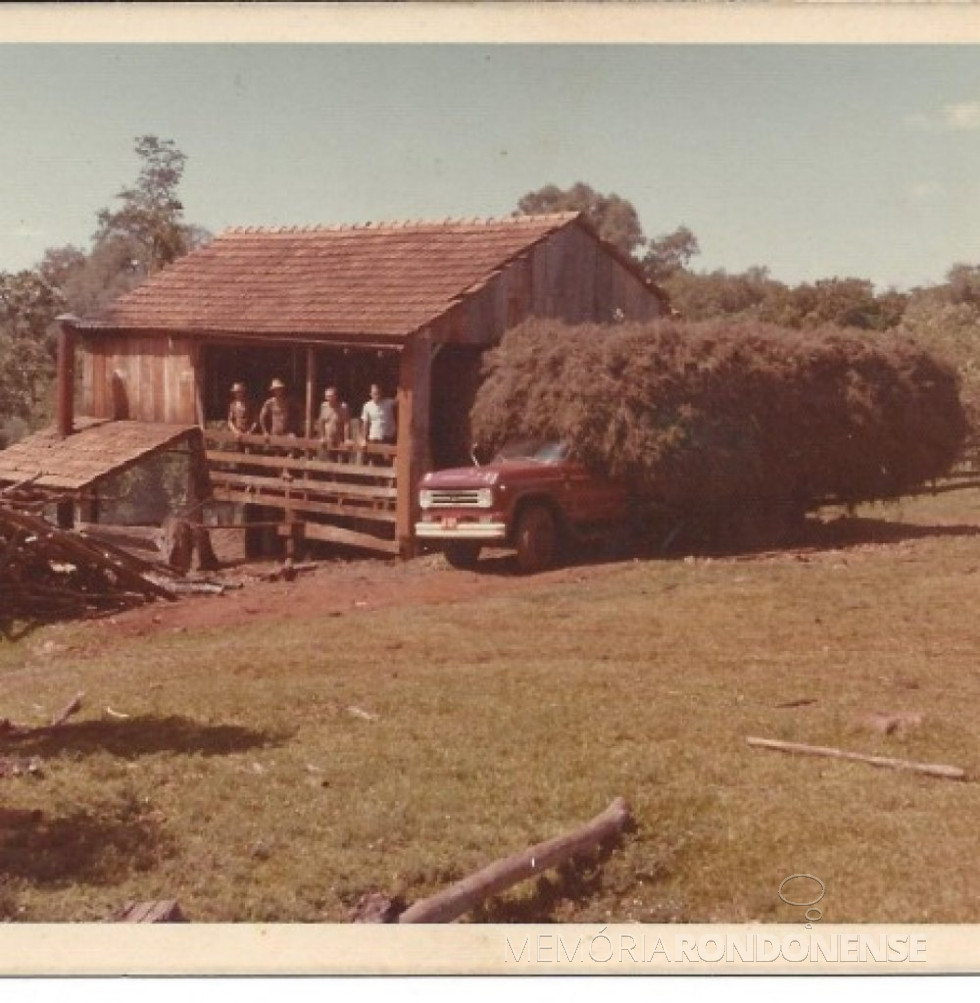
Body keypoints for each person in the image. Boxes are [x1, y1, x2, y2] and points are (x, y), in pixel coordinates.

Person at [360, 382, 397, 450]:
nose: (377, 395)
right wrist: (363, 439)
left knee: (387, 460)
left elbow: (400, 400)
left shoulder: (389, 403)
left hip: (387, 438)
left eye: (378, 393)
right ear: (370, 394)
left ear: (381, 393)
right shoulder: (367, 406)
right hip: (373, 438)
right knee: (374, 459)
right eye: (374, 393)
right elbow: (365, 423)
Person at [318, 386, 351, 457]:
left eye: (330, 396)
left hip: (340, 439)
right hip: (328, 439)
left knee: (342, 461)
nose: (328, 398)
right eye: (326, 396)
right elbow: (321, 422)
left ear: (335, 396)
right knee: (328, 460)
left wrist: (347, 439)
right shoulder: (324, 406)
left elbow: (346, 424)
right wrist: (322, 437)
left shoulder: (343, 407)